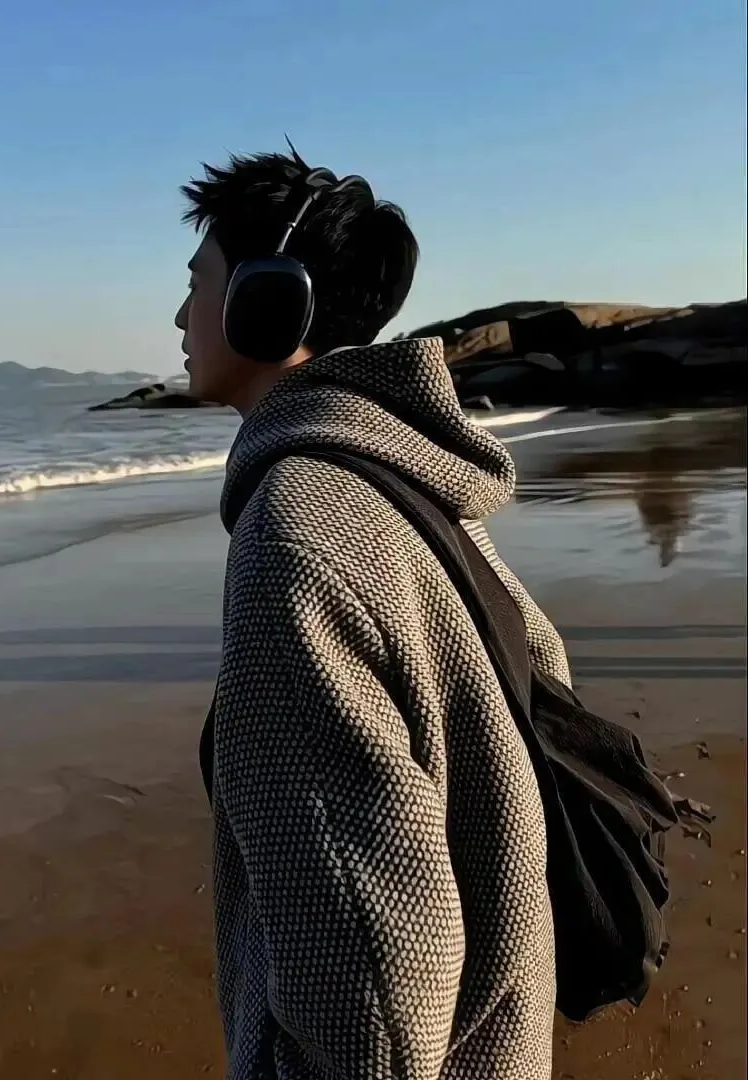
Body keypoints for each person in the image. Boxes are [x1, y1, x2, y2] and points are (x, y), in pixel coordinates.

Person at [175, 146, 571, 1079]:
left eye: (197, 284)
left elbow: (375, 971)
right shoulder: (412, 484)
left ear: (266, 304)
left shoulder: (298, 531)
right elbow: (546, 671)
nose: (181, 316)